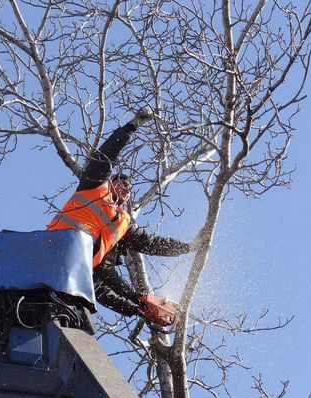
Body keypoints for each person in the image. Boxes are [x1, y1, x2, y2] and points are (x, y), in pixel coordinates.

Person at [47, 109, 201, 324]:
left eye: (130, 188)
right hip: (54, 248)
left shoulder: (122, 224)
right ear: (111, 182)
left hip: (74, 269)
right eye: (123, 184)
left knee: (84, 308)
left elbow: (150, 245)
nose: (127, 190)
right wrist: (131, 127)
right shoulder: (93, 188)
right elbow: (106, 155)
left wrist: (137, 306)